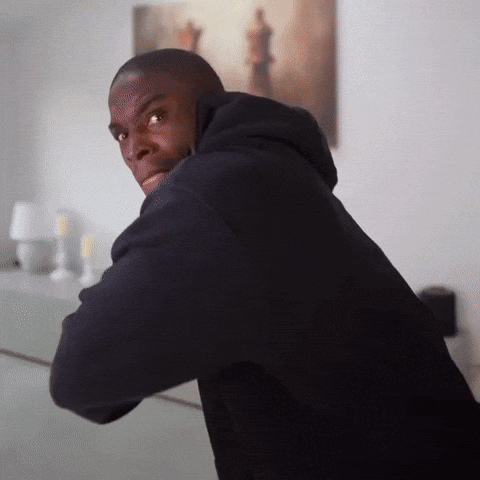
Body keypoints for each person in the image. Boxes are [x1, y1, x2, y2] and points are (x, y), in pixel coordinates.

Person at [50, 48, 480, 479]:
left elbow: (79, 374)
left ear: (207, 107)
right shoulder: (270, 168)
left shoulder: (217, 190)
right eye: (121, 135)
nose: (135, 148)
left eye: (156, 117)